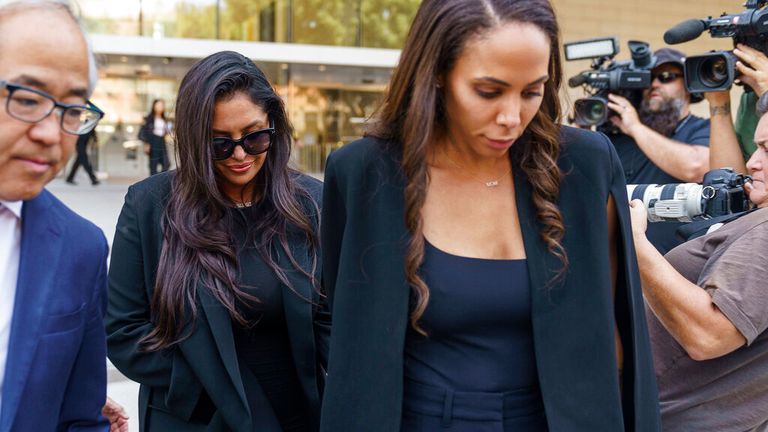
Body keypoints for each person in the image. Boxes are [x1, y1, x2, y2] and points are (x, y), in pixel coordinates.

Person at [319, 1, 660, 431]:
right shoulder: (364, 173)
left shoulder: (584, 167)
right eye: (489, 91)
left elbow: (611, 334)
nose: (511, 118)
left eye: (532, 91)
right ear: (437, 73)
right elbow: (352, 334)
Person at [106, 51, 329, 431]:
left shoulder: (314, 203)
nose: (240, 154)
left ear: (273, 125)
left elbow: (335, 320)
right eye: (220, 143)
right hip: (193, 417)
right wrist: (212, 386)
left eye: (255, 136)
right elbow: (124, 331)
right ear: (193, 140)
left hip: (295, 416)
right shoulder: (149, 205)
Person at [0, 0, 110, 430]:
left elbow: (80, 417)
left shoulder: (80, 248)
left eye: (71, 110)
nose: (50, 134)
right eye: (27, 100)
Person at [629, 109, 768, 431]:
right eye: (756, 147)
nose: (752, 163)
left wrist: (634, 241)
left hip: (672, 419)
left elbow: (709, 335)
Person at [606, 47, 711, 254]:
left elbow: (696, 167)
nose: (654, 84)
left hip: (673, 265)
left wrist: (635, 127)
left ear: (688, 87)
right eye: (649, 78)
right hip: (618, 259)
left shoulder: (700, 128)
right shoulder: (620, 133)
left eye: (666, 77)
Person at [139, 98, 170, 175]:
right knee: (153, 165)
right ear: (154, 106)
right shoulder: (148, 119)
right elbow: (143, 132)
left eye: (162, 105)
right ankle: (153, 182)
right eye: (158, 105)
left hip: (161, 141)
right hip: (153, 141)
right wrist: (146, 143)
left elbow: (164, 131)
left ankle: (159, 179)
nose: (160, 107)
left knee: (166, 163)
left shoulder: (164, 119)